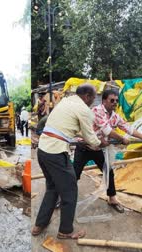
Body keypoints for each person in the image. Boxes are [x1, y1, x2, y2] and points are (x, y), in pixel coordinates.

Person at [32, 84, 108, 239]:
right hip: (56, 152)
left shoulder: (66, 101)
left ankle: (39, 224)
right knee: (70, 189)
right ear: (87, 96)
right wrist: (100, 142)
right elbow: (92, 139)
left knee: (52, 188)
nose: (93, 102)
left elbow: (68, 127)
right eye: (93, 98)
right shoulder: (84, 110)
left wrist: (81, 138)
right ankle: (65, 231)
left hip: (43, 150)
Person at [73, 89, 142, 213]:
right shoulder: (97, 111)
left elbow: (128, 128)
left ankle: (112, 198)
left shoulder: (115, 116)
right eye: (112, 100)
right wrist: (122, 139)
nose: (115, 103)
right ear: (104, 100)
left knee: (109, 172)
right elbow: (107, 130)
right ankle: (63, 197)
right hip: (84, 147)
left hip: (98, 149)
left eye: (116, 101)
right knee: (74, 175)